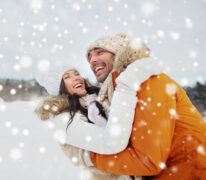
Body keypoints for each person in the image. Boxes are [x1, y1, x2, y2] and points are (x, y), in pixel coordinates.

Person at [80, 33, 206, 179]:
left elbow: (148, 161)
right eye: (89, 57)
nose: (92, 60)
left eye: (99, 52)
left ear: (118, 53)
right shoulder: (120, 93)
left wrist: (91, 157)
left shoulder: (148, 81)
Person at [36, 53, 161, 179]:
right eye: (67, 77)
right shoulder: (63, 120)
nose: (77, 78)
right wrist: (126, 88)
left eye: (77, 74)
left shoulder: (100, 99)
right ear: (59, 88)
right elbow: (112, 142)